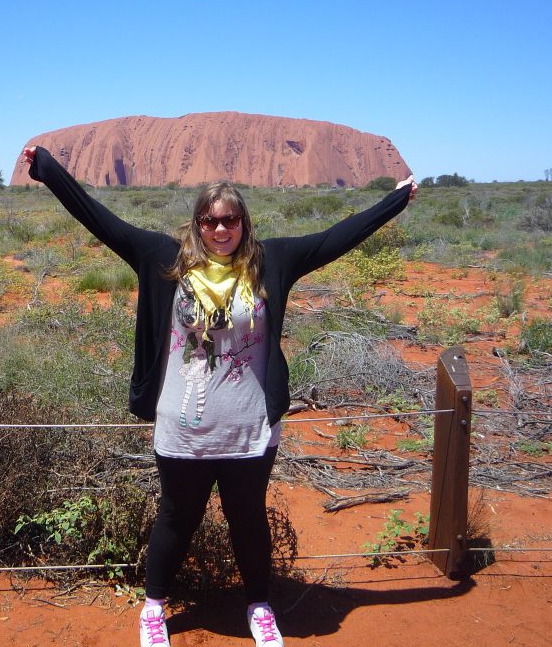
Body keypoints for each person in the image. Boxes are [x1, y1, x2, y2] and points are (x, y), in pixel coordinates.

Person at [22, 145, 417, 647]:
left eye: (230, 220)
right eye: (210, 221)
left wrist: (396, 201)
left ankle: (259, 607)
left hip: (250, 425)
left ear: (243, 224)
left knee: (248, 519)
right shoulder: (164, 259)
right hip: (183, 424)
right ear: (197, 225)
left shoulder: (270, 262)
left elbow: (334, 238)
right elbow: (100, 220)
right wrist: (49, 170)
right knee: (176, 518)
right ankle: (153, 607)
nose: (221, 230)